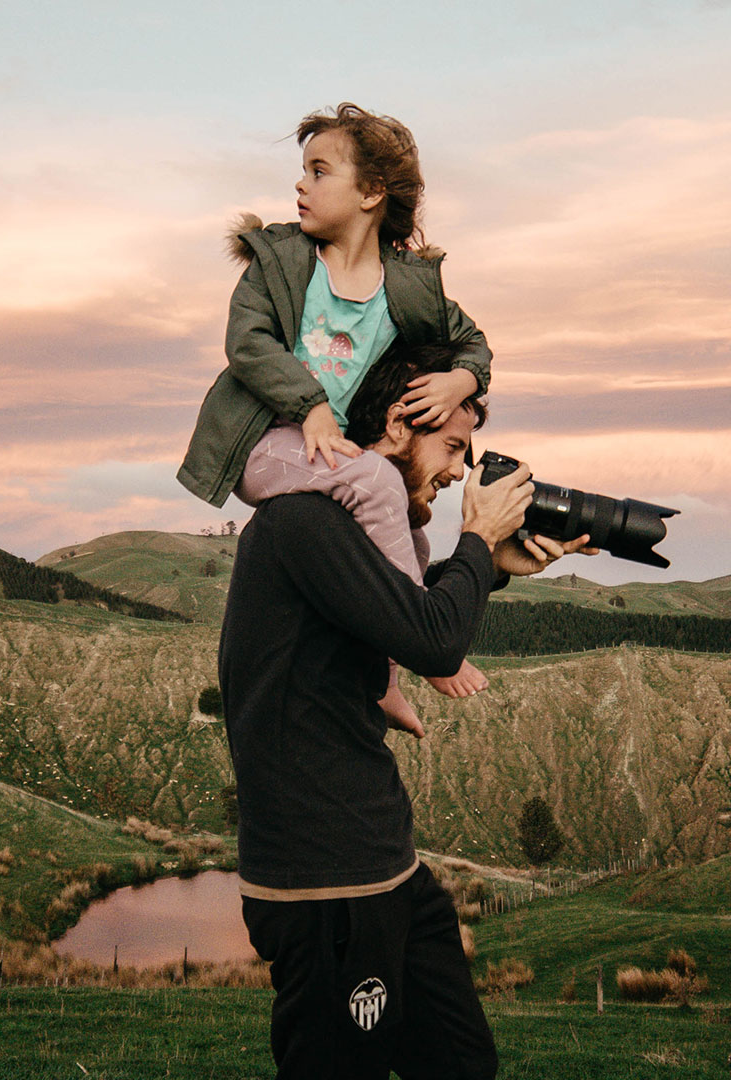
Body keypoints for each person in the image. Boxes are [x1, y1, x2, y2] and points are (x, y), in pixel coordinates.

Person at [220, 342, 593, 1079]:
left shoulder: (339, 528)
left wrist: (489, 567)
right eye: (452, 447)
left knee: (462, 1063)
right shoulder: (304, 521)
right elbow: (432, 641)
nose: (458, 472)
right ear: (397, 424)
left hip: (384, 867)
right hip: (326, 881)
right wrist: (478, 540)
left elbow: (404, 610)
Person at [178, 102, 494, 735]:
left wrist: (462, 379)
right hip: (264, 443)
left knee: (411, 529)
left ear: (371, 192)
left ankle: (390, 673)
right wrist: (312, 406)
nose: (301, 184)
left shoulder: (405, 287)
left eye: (319, 171)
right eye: (304, 170)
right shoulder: (281, 262)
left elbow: (473, 343)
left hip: (325, 453)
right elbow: (247, 343)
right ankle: (412, 648)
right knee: (377, 480)